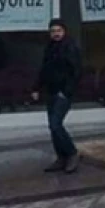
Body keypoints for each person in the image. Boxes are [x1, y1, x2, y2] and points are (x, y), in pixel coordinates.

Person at [32, 19, 81, 174]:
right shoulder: (50, 48)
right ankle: (61, 157)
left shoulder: (70, 47)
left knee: (56, 124)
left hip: (63, 93)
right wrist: (36, 88)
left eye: (58, 31)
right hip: (50, 91)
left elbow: (76, 72)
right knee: (52, 127)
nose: (56, 34)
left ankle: (72, 153)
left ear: (64, 31)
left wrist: (66, 91)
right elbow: (44, 69)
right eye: (53, 31)